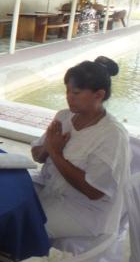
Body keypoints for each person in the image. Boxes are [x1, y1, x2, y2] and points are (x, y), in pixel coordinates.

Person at [31, 56, 130, 239]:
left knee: (25, 222)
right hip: (50, 189)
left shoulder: (112, 135)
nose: (68, 97)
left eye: (75, 93)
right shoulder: (64, 116)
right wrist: (47, 147)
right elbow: (36, 155)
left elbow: (93, 191)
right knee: (6, 196)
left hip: (84, 211)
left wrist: (56, 153)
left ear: (99, 95)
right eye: (67, 91)